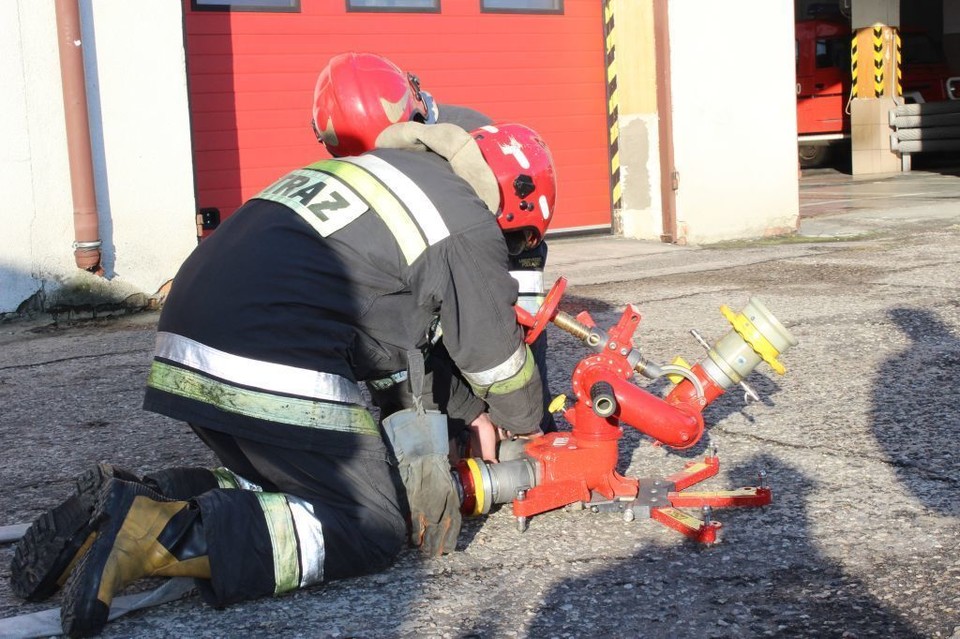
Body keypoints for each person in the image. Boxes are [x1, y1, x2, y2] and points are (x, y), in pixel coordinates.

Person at [11, 120, 557, 638]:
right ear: (516, 204)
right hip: (268, 348)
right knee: (367, 524)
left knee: (294, 489)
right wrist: (529, 423)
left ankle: (129, 503)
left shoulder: (378, 171)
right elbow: (494, 357)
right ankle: (159, 535)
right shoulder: (463, 221)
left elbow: (388, 338)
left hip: (187, 337)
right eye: (521, 238)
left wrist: (463, 411)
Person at [312, 52, 557, 447]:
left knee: (511, 331)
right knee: (417, 325)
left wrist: (519, 415)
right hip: (431, 255)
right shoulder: (364, 151)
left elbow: (485, 315)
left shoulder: (471, 134)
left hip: (504, 237)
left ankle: (532, 434)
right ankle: (451, 429)